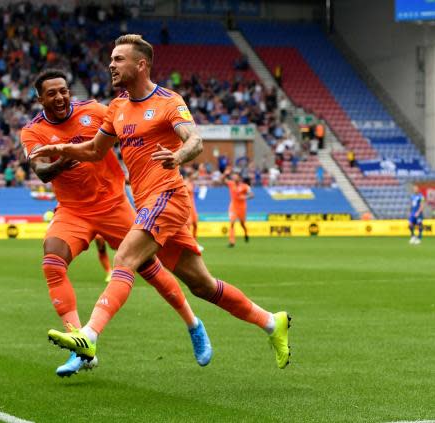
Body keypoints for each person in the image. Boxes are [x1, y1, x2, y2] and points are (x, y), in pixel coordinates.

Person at [32, 35, 291, 369]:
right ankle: (272, 322)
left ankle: (89, 337)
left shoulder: (169, 101)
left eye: (118, 59)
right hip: (146, 203)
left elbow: (195, 140)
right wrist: (62, 149)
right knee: (202, 285)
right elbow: (96, 150)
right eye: (111, 59)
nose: (111, 64)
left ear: (141, 64)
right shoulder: (117, 107)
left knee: (124, 258)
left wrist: (178, 155)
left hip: (168, 196)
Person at [21, 69, 212, 377]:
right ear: (39, 98)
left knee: (150, 268)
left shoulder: (95, 111)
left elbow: (128, 132)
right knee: (52, 263)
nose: (59, 97)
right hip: (72, 211)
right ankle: (79, 345)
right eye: (52, 93)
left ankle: (193, 324)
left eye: (63, 90)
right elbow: (41, 171)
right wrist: (64, 160)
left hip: (113, 205)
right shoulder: (33, 131)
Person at [223, 170, 253, 247]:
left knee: (242, 224)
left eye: (235, 175)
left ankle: (246, 233)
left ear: (239, 177)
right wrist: (225, 173)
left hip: (242, 208)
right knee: (232, 223)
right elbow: (223, 180)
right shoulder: (231, 184)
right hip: (233, 207)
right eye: (233, 175)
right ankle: (232, 241)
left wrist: (245, 196)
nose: (234, 177)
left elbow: (252, 195)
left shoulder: (245, 186)